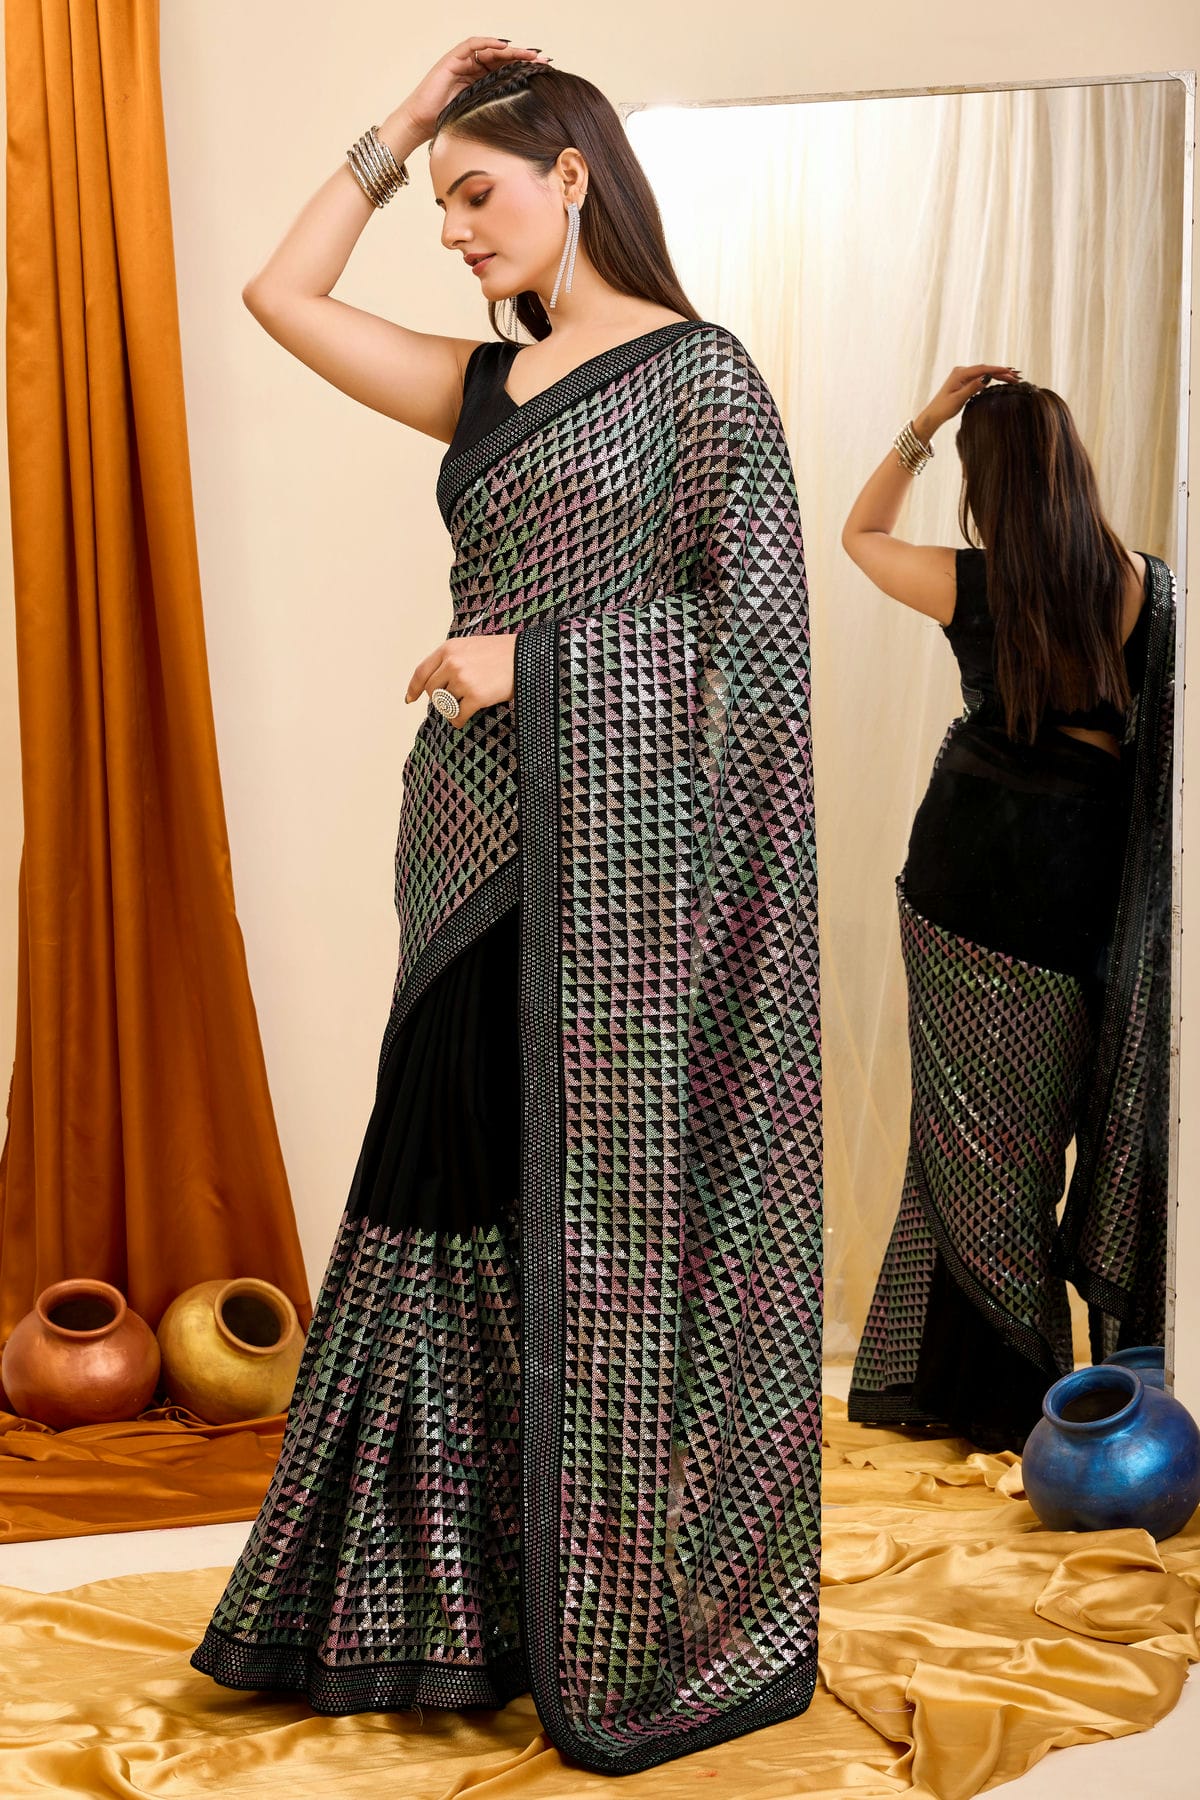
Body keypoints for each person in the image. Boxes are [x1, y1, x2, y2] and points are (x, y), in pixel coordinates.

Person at [189, 37, 822, 1774]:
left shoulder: (703, 378)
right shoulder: (488, 385)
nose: (457, 230)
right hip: (466, 839)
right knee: (438, 1183)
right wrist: (399, 130)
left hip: (623, 874)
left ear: (575, 177)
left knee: (579, 1217)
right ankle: (431, 1600)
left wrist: (529, 659)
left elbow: (756, 642)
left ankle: (582, 1598)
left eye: (478, 194)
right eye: (443, 203)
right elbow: (278, 294)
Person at [841, 366, 1174, 1455]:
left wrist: (925, 421)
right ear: (1070, 466)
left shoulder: (972, 582)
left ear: (985, 484)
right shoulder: (1145, 589)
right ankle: (1000, 1386)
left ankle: (996, 1389)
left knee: (963, 1133)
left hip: (964, 874)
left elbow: (859, 534)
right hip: (1076, 883)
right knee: (1027, 1141)